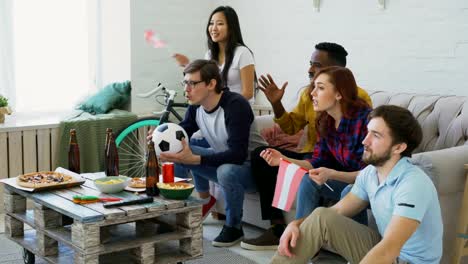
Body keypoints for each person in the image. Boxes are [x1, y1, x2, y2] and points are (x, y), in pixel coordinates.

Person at [271, 105, 443, 264]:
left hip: (406, 260)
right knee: (321, 216)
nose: (364, 141)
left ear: (398, 148)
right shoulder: (370, 173)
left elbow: (390, 248)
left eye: (376, 135)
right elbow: (335, 212)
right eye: (368, 132)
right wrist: (296, 224)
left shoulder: (413, 184)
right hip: (385, 249)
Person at [242, 43, 372, 251]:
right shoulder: (325, 119)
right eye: (310, 64)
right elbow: (306, 148)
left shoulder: (362, 113)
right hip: (326, 165)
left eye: (317, 66)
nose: (310, 70)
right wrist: (281, 159)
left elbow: (369, 173)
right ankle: (295, 241)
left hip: (358, 178)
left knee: (349, 189)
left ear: (339, 90)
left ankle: (357, 250)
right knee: (297, 173)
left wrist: (331, 173)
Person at [160, 59, 267, 247]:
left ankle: (234, 227)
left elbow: (238, 155)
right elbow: (182, 133)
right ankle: (174, 215)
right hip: (226, 164)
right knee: (178, 149)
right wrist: (159, 138)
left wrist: (197, 159)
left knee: (226, 170)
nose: (187, 89)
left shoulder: (236, 105)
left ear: (211, 84)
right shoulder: (195, 107)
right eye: (185, 83)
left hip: (253, 171)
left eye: (192, 83)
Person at [173, 6, 256, 103]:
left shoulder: (242, 53)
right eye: (211, 23)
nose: (214, 28)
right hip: (217, 110)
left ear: (231, 28)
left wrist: (224, 105)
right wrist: (187, 65)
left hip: (239, 109)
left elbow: (248, 93)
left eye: (220, 24)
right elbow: (204, 83)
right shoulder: (209, 54)